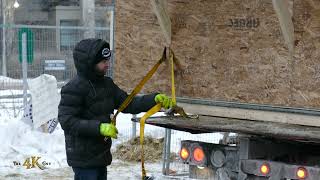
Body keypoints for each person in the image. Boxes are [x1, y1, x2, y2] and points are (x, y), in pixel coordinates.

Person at [58, 38, 174, 180]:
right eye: (103, 61)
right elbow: (67, 121)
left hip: (101, 154)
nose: (107, 64)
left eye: (108, 60)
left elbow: (128, 103)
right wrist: (99, 128)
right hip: (83, 156)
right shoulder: (73, 88)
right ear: (89, 64)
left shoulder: (107, 84)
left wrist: (153, 99)